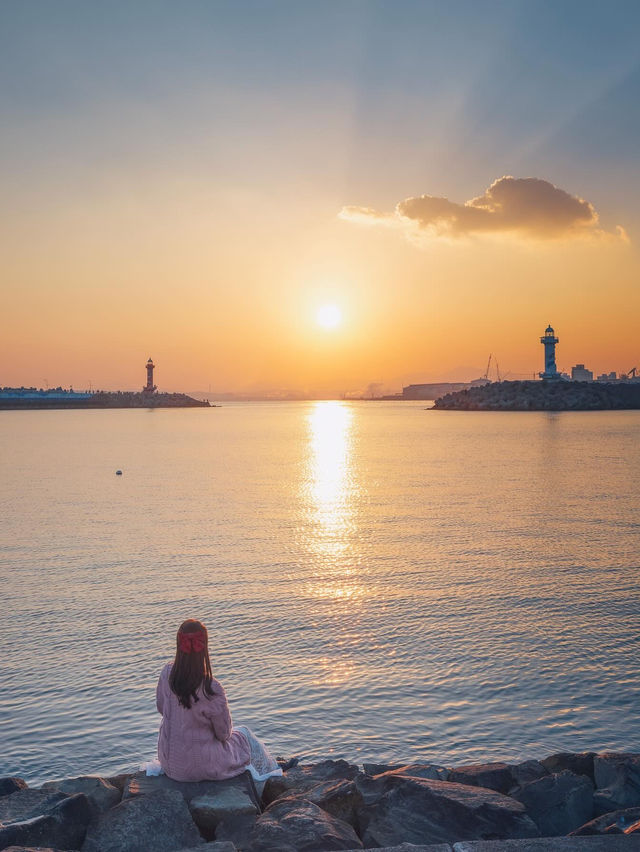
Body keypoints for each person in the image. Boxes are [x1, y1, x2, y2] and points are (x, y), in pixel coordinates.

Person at [156, 618, 282, 782]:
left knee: (238, 738)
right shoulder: (211, 688)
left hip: (170, 763)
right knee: (245, 736)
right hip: (201, 767)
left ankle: (274, 769)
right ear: (204, 647)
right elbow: (224, 734)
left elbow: (160, 708)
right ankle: (275, 773)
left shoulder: (167, 673)